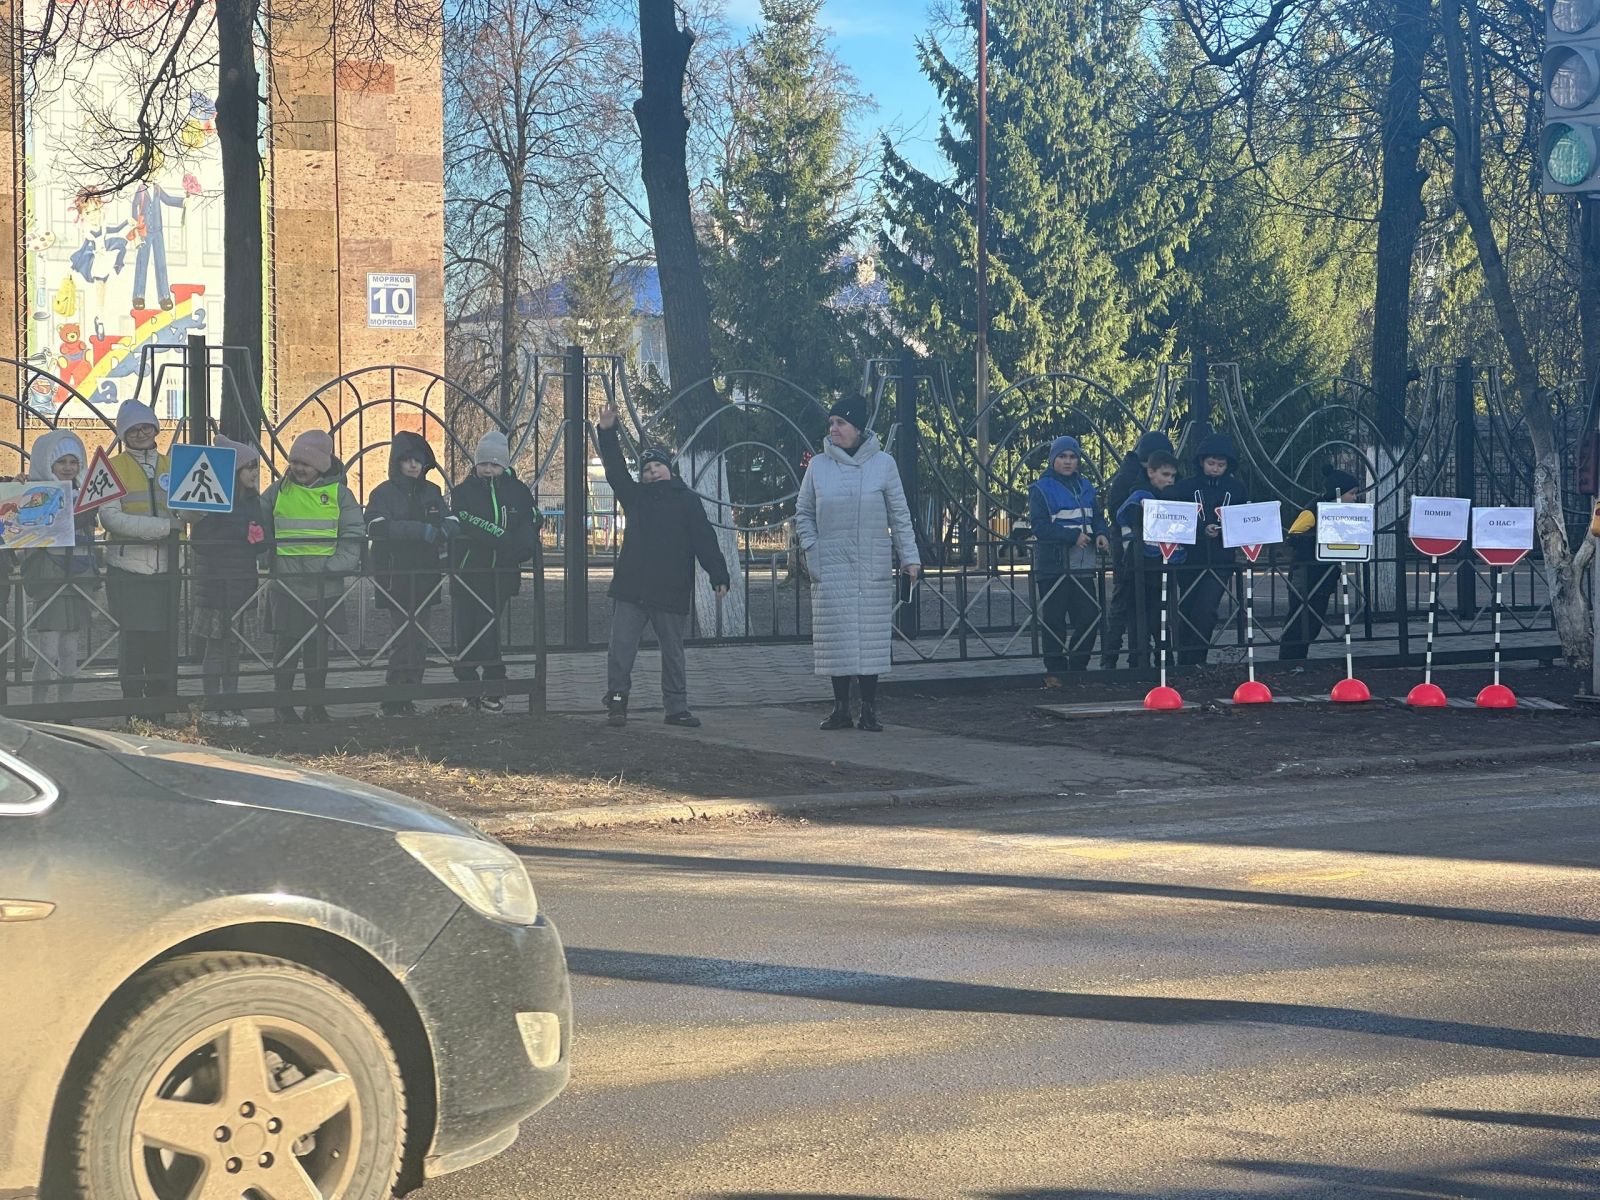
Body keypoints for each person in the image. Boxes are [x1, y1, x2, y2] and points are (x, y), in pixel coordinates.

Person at [595, 404, 729, 728]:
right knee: (620, 648)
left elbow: (704, 539)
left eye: (657, 466)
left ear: (670, 469)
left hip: (670, 588)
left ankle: (676, 707)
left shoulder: (687, 500)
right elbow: (614, 470)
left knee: (673, 651)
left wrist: (718, 573)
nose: (652, 472)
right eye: (646, 469)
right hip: (632, 588)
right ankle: (617, 701)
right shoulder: (635, 497)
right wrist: (607, 431)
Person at [796, 396, 921, 732]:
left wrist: (909, 557)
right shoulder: (818, 466)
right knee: (836, 638)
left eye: (841, 423)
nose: (834, 429)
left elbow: (899, 514)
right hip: (831, 563)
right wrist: (812, 547)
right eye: (831, 423)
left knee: (870, 640)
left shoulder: (883, 464)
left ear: (858, 428)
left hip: (870, 563)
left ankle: (868, 709)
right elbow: (803, 512)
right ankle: (840, 708)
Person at [261, 429, 364, 723]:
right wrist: (265, 555)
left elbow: (352, 533)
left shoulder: (339, 494)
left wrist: (337, 565)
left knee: (317, 651)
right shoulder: (278, 491)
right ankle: (283, 704)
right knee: (286, 649)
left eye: (305, 463)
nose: (298, 468)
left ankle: (315, 703)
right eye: (294, 462)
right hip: (286, 583)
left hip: (323, 584)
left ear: (320, 465)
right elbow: (259, 522)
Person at [99, 398, 182, 719]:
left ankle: (159, 707)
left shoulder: (172, 465)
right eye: (133, 429)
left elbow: (188, 511)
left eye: (146, 426)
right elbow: (110, 518)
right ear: (123, 434)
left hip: (168, 568)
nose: (141, 433)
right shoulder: (112, 467)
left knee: (163, 641)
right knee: (134, 642)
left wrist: (195, 513)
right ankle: (133, 707)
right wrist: (164, 528)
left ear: (156, 429)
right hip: (128, 568)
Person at [449, 430, 539, 712]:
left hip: (501, 573)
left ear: (504, 465)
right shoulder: (463, 491)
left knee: (488, 630)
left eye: (494, 464)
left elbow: (532, 518)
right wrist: (500, 536)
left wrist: (521, 543)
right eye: (484, 463)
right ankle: (468, 686)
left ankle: (495, 686)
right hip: (468, 571)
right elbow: (465, 518)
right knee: (466, 631)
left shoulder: (518, 491)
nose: (488, 469)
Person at [367, 431, 451, 716]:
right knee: (402, 636)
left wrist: (446, 529)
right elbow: (376, 526)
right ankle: (394, 696)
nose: (414, 465)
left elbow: (448, 519)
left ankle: (411, 693)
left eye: (418, 460)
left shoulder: (432, 491)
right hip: (396, 574)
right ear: (397, 462)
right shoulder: (383, 493)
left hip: (426, 573)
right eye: (407, 460)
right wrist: (419, 530)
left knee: (420, 638)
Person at [189, 436, 270, 727]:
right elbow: (200, 541)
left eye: (256, 467)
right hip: (215, 586)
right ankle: (212, 705)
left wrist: (260, 538)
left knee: (234, 649)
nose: (254, 473)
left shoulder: (253, 501)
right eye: (249, 467)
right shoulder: (213, 502)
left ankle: (232, 703)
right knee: (215, 649)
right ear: (233, 471)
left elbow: (261, 541)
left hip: (242, 584)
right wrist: (240, 532)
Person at [19, 430, 98, 711]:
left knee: (70, 648)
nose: (68, 467)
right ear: (47, 464)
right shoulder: (34, 494)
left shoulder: (86, 494)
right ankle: (38, 706)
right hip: (49, 574)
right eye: (61, 462)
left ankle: (65, 707)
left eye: (73, 462)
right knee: (48, 647)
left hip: (79, 572)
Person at [1029, 435, 1109, 685]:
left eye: (1073, 457)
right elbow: (1040, 527)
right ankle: (1055, 670)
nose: (1068, 461)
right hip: (1053, 565)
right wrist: (1072, 536)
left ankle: (1077, 665)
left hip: (1082, 565)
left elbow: (1097, 516)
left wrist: (1102, 533)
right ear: (1053, 459)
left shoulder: (1086, 486)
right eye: (1062, 456)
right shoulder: (1041, 489)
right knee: (1054, 620)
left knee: (1088, 617)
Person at [1101, 431, 1175, 668]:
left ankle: (1137, 657)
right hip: (1129, 552)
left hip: (1148, 552)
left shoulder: (1138, 476)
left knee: (1148, 606)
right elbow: (1118, 512)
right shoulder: (1130, 480)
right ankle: (1118, 658)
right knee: (1126, 605)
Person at [1173, 432, 1248, 665]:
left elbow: (1244, 519)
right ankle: (1184, 662)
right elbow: (1177, 519)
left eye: (1221, 464)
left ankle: (1197, 659)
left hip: (1220, 560)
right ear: (1201, 462)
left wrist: (1224, 530)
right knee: (1187, 609)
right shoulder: (1186, 487)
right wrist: (1201, 529)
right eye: (1211, 463)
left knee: (1206, 611)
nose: (1215, 468)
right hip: (1190, 559)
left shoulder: (1237, 489)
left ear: (1228, 465)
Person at [1279, 467, 1363, 660]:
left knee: (1314, 621)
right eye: (1351, 493)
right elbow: (1293, 535)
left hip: (1325, 575)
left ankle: (1300, 658)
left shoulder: (1344, 513)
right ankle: (1288, 659)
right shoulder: (1313, 510)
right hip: (1306, 573)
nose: (1354, 498)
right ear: (1338, 493)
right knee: (1299, 619)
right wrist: (1318, 540)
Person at [1113, 450, 1182, 669]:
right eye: (1165, 475)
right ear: (1151, 472)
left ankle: (1164, 660)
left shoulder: (1170, 494)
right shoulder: (1139, 495)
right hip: (1137, 565)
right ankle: (1137, 661)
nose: (1169, 480)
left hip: (1160, 565)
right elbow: (1125, 517)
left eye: (1173, 476)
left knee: (1158, 616)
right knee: (1137, 616)